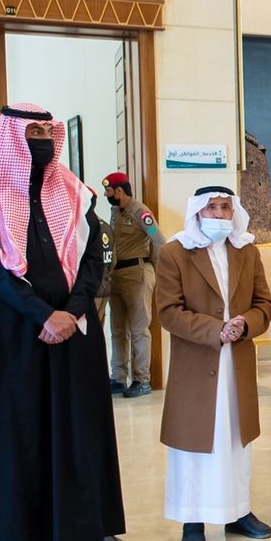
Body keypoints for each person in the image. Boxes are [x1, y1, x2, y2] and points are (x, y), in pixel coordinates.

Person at [0, 104, 135, 541]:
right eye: (30, 130)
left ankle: (95, 529)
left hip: (75, 329)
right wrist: (43, 314)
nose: (38, 138)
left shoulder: (75, 191)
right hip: (15, 333)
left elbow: (94, 258)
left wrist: (72, 312)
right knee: (21, 432)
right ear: (10, 136)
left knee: (85, 428)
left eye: (44, 131)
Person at [156, 186, 271, 541]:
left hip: (236, 363)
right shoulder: (175, 252)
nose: (220, 215)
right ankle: (192, 520)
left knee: (234, 441)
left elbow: (264, 303)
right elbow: (168, 311)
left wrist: (245, 324)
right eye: (212, 208)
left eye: (226, 208)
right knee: (195, 444)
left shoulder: (246, 251)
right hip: (196, 365)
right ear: (197, 213)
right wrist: (215, 330)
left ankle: (237, 512)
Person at [102, 171, 161, 398]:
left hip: (137, 274)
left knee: (139, 330)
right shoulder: (115, 211)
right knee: (117, 330)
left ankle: (141, 380)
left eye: (109, 191)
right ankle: (118, 377)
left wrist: (152, 269)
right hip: (116, 276)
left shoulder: (141, 212)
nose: (106, 195)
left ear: (119, 191)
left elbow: (158, 240)